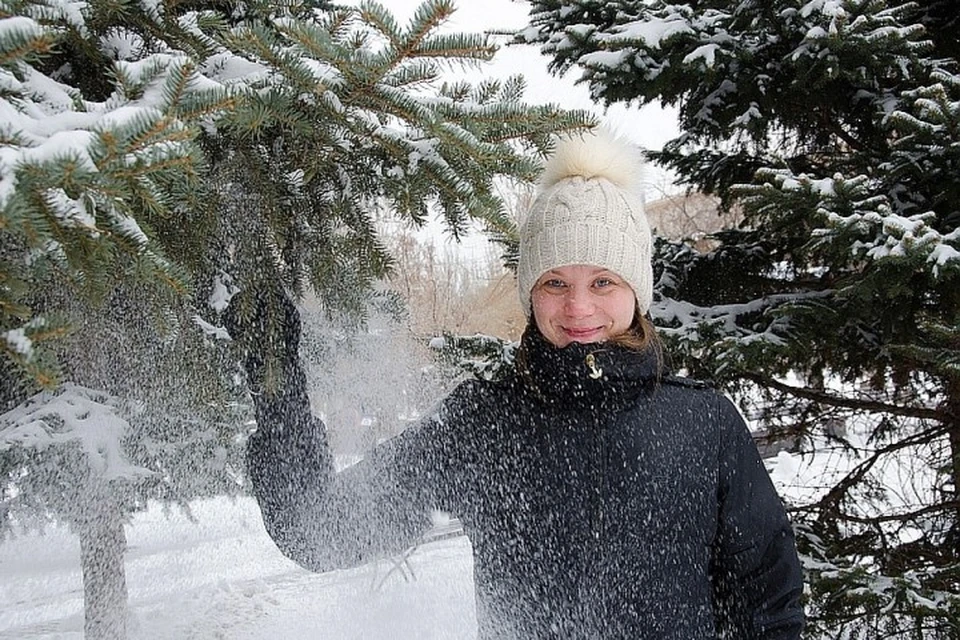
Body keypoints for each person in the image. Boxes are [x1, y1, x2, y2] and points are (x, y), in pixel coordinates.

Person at [247, 130, 805, 638]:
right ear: (530, 294)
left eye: (603, 281)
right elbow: (318, 531)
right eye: (554, 282)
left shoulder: (703, 425)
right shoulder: (482, 424)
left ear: (635, 290)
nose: (578, 306)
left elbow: (769, 608)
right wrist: (277, 391)